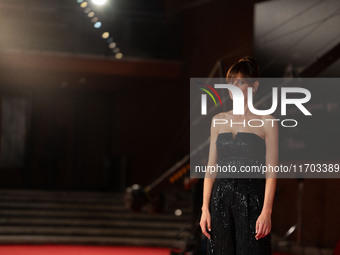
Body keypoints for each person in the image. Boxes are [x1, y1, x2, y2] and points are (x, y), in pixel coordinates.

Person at [199, 56, 278, 255]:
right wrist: (205, 208)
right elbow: (211, 167)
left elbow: (271, 171)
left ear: (255, 86)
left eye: (240, 82)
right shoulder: (218, 120)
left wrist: (266, 211)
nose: (234, 87)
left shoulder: (267, 122)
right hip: (220, 198)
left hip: (252, 199)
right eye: (230, 83)